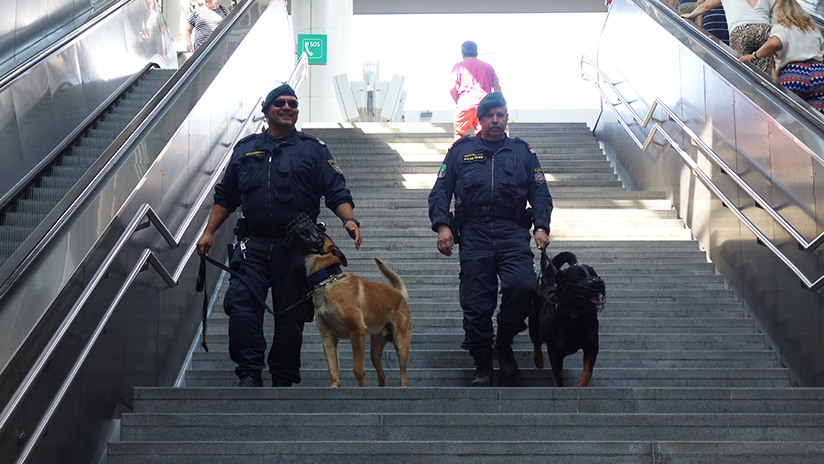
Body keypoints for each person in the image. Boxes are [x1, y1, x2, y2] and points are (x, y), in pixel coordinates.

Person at [196, 84, 362, 387]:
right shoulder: (245, 149)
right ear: (266, 110)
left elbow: (336, 190)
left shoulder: (313, 148)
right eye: (280, 103)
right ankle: (249, 371)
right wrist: (208, 232)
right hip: (253, 243)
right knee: (243, 305)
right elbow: (226, 197)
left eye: (293, 104)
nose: (288, 107)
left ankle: (283, 377)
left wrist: (349, 220)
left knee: (292, 314)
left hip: (297, 245)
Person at [428, 92, 553, 387]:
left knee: (524, 287)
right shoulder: (461, 150)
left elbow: (540, 193)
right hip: (474, 232)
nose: (496, 120)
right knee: (476, 302)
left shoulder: (523, 152)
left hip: (512, 232)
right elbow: (440, 192)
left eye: (501, 114)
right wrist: (443, 226)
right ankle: (483, 362)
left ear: (507, 118)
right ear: (479, 119)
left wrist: (541, 226)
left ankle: (505, 340)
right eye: (489, 115)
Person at [739, 0, 824, 111]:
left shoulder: (782, 26)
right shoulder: (812, 29)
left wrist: (754, 56)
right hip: (818, 74)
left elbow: (776, 43)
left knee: (791, 113)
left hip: (794, 74)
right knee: (818, 117)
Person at [683, 0, 775, 74]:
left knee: (741, 71)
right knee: (764, 74)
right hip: (764, 30)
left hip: (740, 31)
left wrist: (691, 15)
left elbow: (705, 6)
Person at [449, 41, 502, 140]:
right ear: (476, 53)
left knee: (459, 133)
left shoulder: (458, 66)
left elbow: (451, 87)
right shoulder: (488, 67)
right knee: (484, 135)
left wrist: (458, 101)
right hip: (484, 105)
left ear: (462, 54)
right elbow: (497, 88)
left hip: (464, 104)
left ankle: (458, 154)